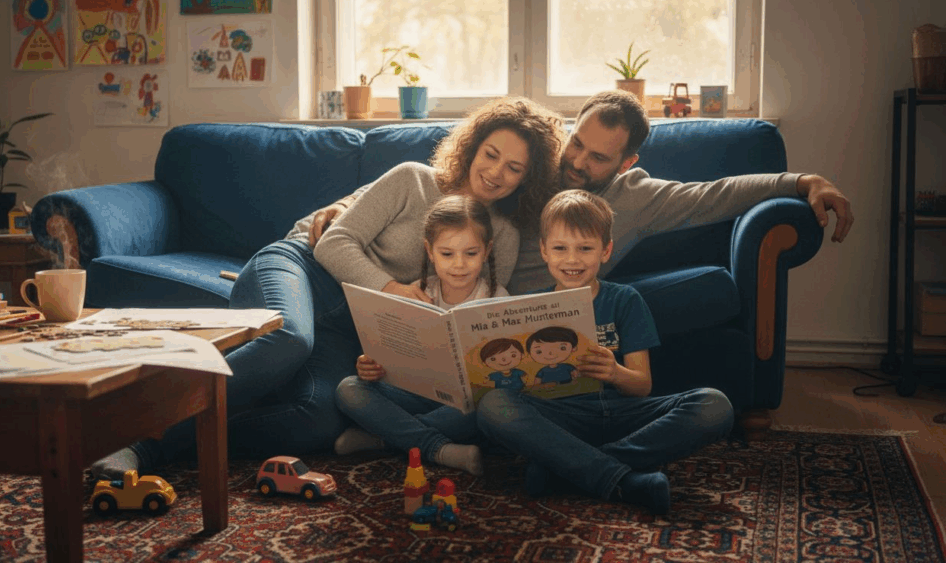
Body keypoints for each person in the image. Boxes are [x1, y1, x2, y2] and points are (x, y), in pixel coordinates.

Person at [89, 96, 566, 480]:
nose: (496, 172)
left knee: (316, 420)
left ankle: (181, 442)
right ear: (473, 146)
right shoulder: (412, 180)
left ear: (530, 177)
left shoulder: (504, 233)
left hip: (352, 328)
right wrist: (392, 288)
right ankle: (140, 438)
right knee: (291, 338)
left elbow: (479, 310)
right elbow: (333, 243)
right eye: (491, 155)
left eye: (515, 168)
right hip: (300, 268)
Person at [304, 90, 854, 294]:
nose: (579, 163)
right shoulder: (535, 168)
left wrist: (803, 181)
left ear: (627, 161)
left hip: (506, 310)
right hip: (453, 291)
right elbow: (437, 188)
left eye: (598, 158)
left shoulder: (639, 197)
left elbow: (716, 193)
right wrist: (346, 205)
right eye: (577, 145)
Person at [477, 189, 735, 515]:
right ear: (544, 250)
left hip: (625, 416)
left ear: (605, 250)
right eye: (560, 248)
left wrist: (615, 372)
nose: (572, 259)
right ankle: (620, 477)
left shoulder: (624, 300)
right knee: (492, 405)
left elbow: (642, 385)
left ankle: (569, 468)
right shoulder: (530, 307)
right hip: (561, 420)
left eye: (585, 248)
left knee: (714, 405)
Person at [333, 194, 509, 476]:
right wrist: (371, 364)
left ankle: (385, 438)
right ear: (430, 251)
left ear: (487, 251)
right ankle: (437, 448)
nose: (459, 264)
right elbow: (391, 351)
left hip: (463, 405)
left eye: (471, 253)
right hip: (415, 392)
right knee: (349, 388)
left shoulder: (497, 299)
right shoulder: (418, 292)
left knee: (487, 409)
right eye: (447, 253)